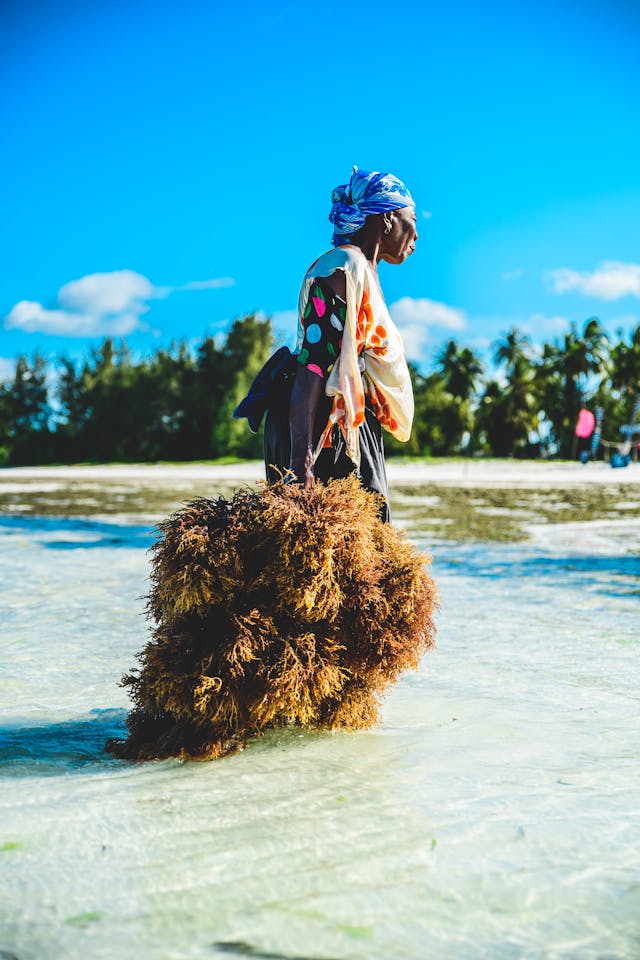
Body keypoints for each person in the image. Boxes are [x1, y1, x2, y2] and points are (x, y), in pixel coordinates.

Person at [262, 166, 418, 523]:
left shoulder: (361, 271)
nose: (418, 234)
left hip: (350, 425)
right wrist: (300, 465)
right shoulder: (341, 269)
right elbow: (314, 365)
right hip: (324, 430)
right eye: (412, 220)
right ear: (389, 219)